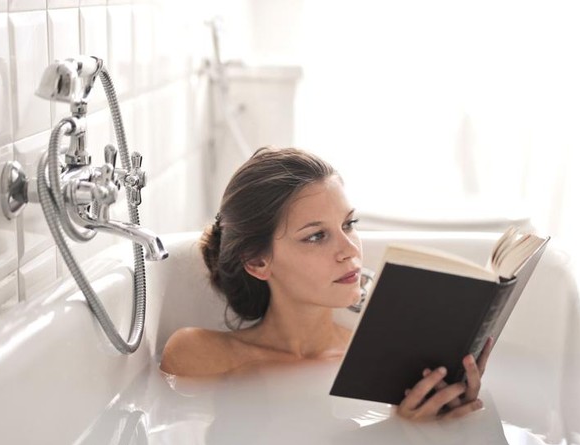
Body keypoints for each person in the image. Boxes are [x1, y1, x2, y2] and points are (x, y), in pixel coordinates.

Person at [160, 147, 490, 421]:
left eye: (349, 224)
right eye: (316, 236)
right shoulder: (200, 354)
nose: (350, 250)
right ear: (258, 262)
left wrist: (437, 420)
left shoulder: (383, 365)